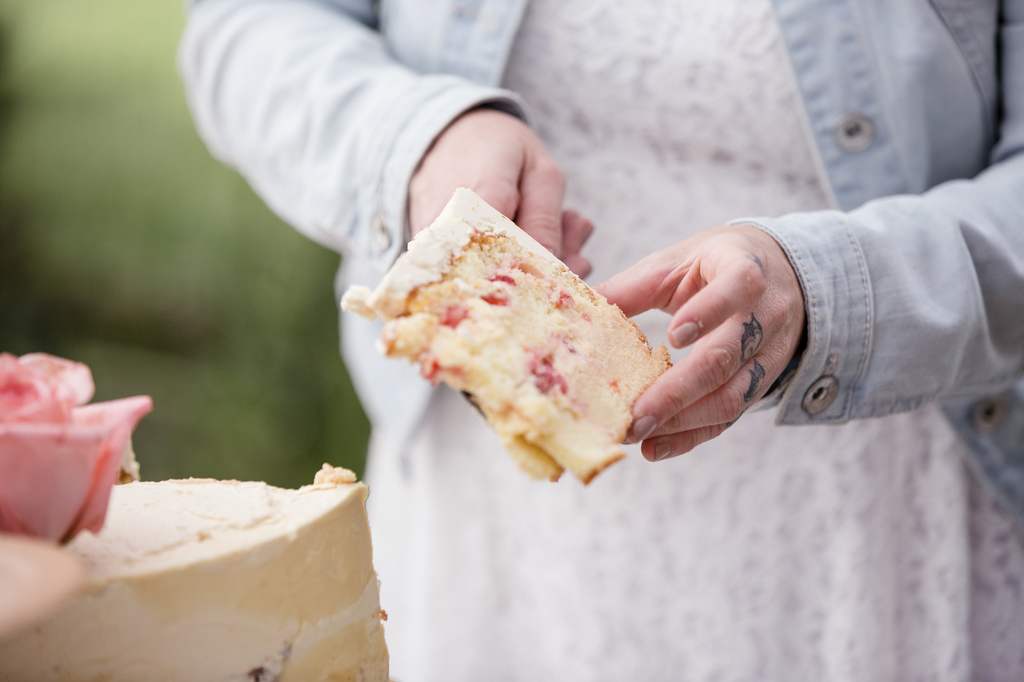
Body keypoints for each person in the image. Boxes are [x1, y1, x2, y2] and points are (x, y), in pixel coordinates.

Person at [179, 1, 1024, 680]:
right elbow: (245, 25)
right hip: (489, 521)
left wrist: (829, 287)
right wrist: (416, 142)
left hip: (884, 519)